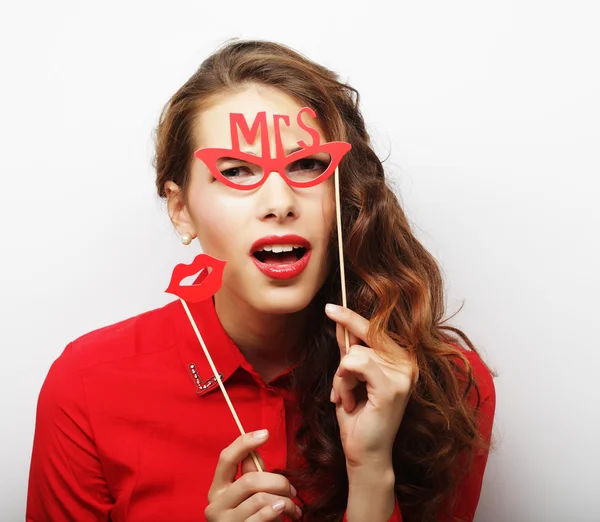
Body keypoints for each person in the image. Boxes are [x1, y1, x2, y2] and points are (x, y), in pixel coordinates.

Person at [26, 39, 496, 522]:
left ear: (344, 193)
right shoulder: (87, 387)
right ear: (180, 209)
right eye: (235, 172)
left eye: (307, 165)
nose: (280, 201)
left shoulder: (445, 385)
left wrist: (372, 475)